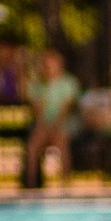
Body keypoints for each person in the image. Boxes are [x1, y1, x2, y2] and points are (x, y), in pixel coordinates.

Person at [21, 49, 82, 189]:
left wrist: (54, 126)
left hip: (63, 125)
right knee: (32, 146)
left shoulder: (69, 83)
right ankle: (31, 185)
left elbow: (66, 109)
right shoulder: (38, 86)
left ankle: (65, 184)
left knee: (61, 142)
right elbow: (37, 111)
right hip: (43, 126)